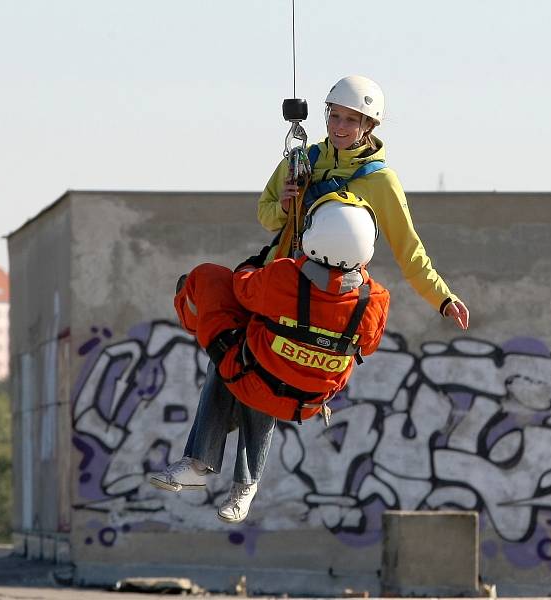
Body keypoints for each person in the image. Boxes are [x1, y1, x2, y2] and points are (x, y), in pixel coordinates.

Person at [150, 192, 390, 523]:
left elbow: (243, 286)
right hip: (306, 400)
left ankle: (198, 463)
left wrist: (261, 260)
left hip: (253, 378)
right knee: (261, 365)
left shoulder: (284, 277)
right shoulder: (374, 300)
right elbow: (370, 343)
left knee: (210, 289)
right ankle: (244, 486)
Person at [261, 74, 469, 328]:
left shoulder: (381, 181)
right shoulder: (301, 160)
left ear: (368, 125)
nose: (339, 126)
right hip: (280, 278)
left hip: (331, 293)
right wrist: (283, 208)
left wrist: (444, 299)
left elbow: (409, 250)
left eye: (350, 120)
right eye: (334, 115)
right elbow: (265, 215)